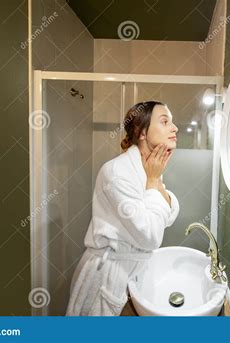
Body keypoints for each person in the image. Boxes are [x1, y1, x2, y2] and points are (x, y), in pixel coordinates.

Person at [65, 101, 180, 316]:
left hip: (133, 271)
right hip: (108, 274)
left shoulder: (148, 168)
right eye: (165, 121)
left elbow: (168, 215)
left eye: (172, 122)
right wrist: (154, 181)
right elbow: (151, 236)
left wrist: (155, 181)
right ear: (141, 132)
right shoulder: (117, 172)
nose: (175, 128)